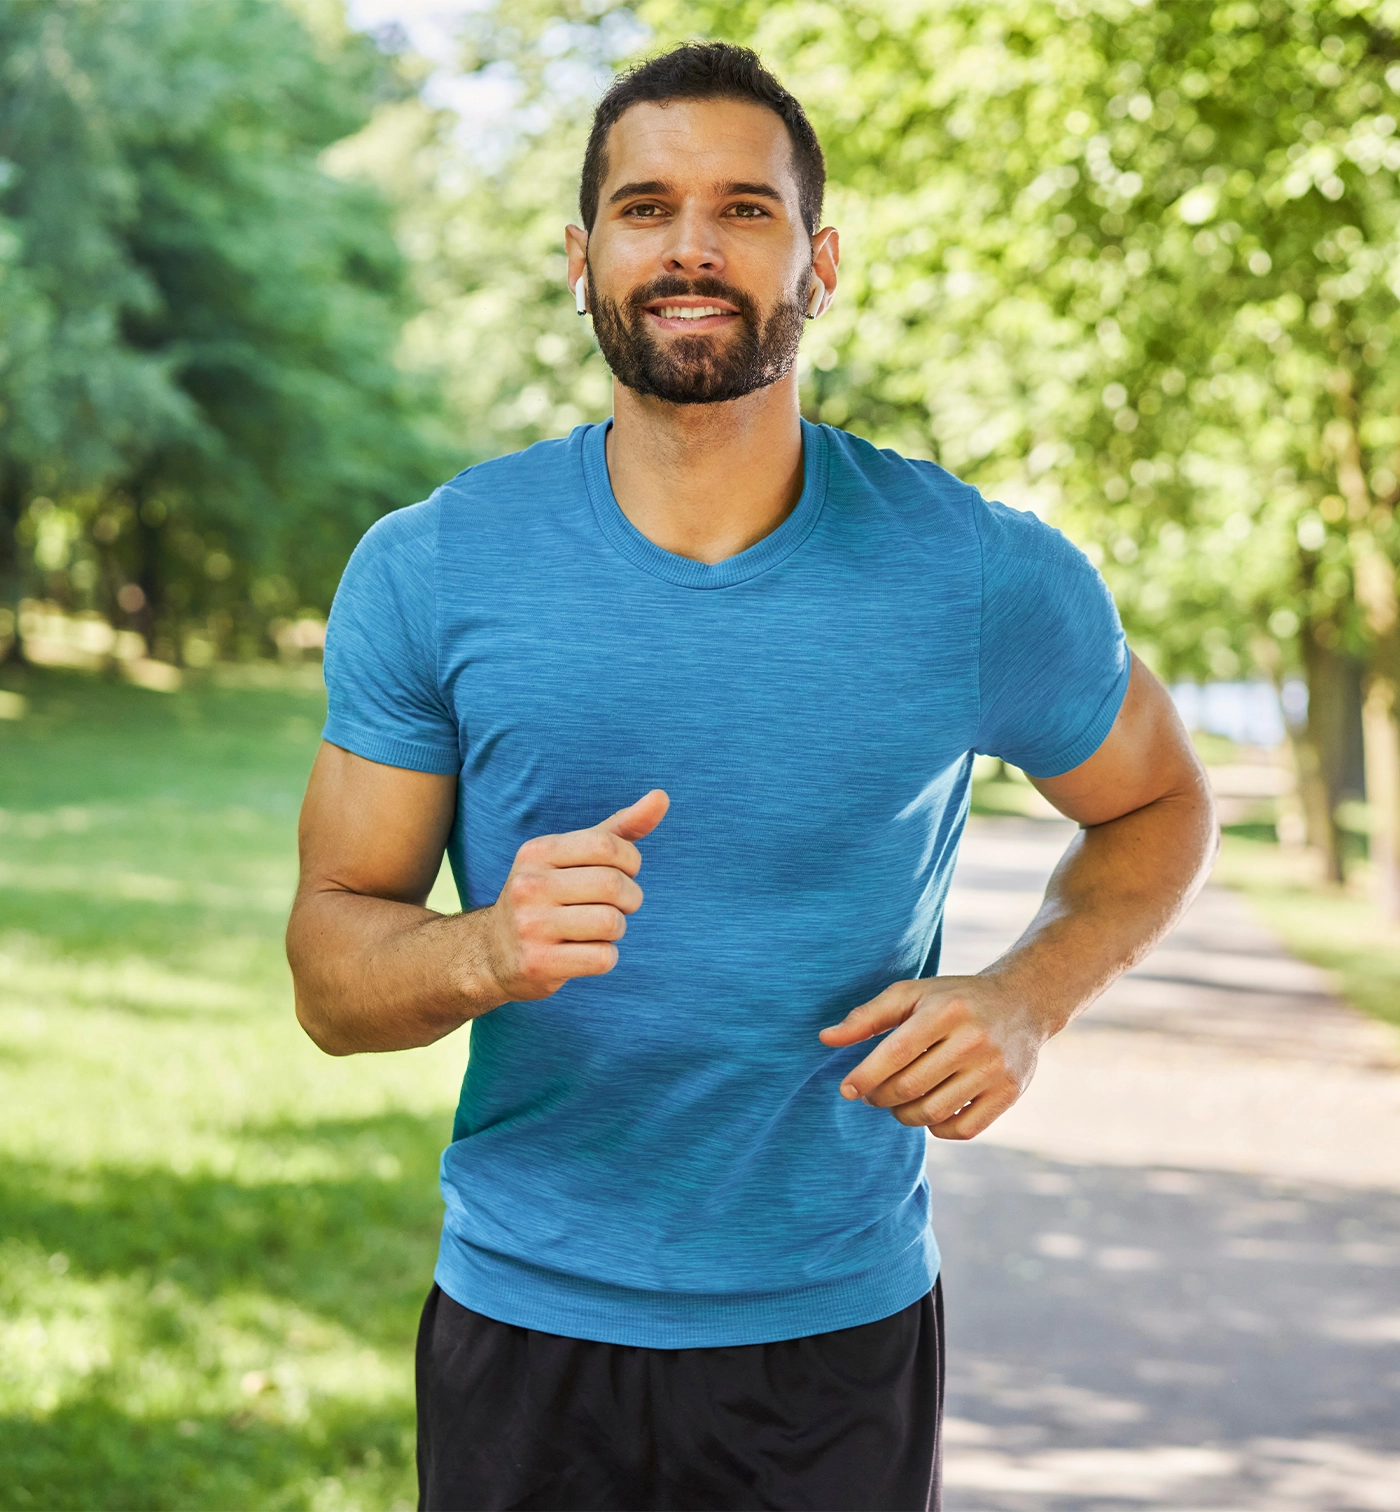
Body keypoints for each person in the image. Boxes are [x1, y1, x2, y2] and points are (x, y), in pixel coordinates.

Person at [286, 40, 1217, 1512]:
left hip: (830, 1338)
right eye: (647, 208)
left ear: (819, 260)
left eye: (745, 208)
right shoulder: (435, 566)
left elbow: (1160, 801)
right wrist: (484, 948)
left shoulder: (974, 574)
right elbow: (332, 972)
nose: (693, 246)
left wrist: (1026, 997)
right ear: (581, 257)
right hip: (527, 1327)